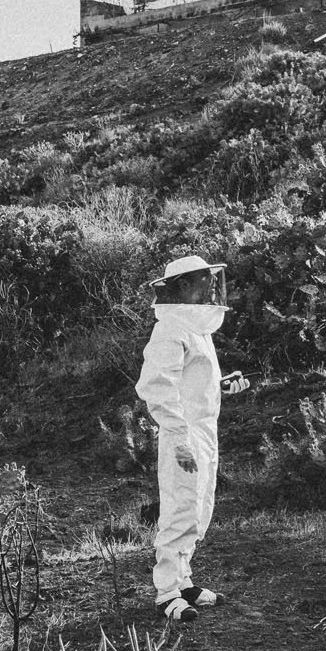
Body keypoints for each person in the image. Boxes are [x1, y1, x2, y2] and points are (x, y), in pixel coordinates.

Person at [137, 254, 247, 623]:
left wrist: (221, 385)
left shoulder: (196, 327)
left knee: (199, 508)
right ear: (182, 285)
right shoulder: (169, 329)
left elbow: (191, 382)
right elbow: (157, 387)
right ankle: (166, 591)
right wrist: (180, 436)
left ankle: (184, 580)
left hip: (203, 430)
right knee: (180, 508)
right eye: (201, 280)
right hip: (181, 434)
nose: (208, 287)